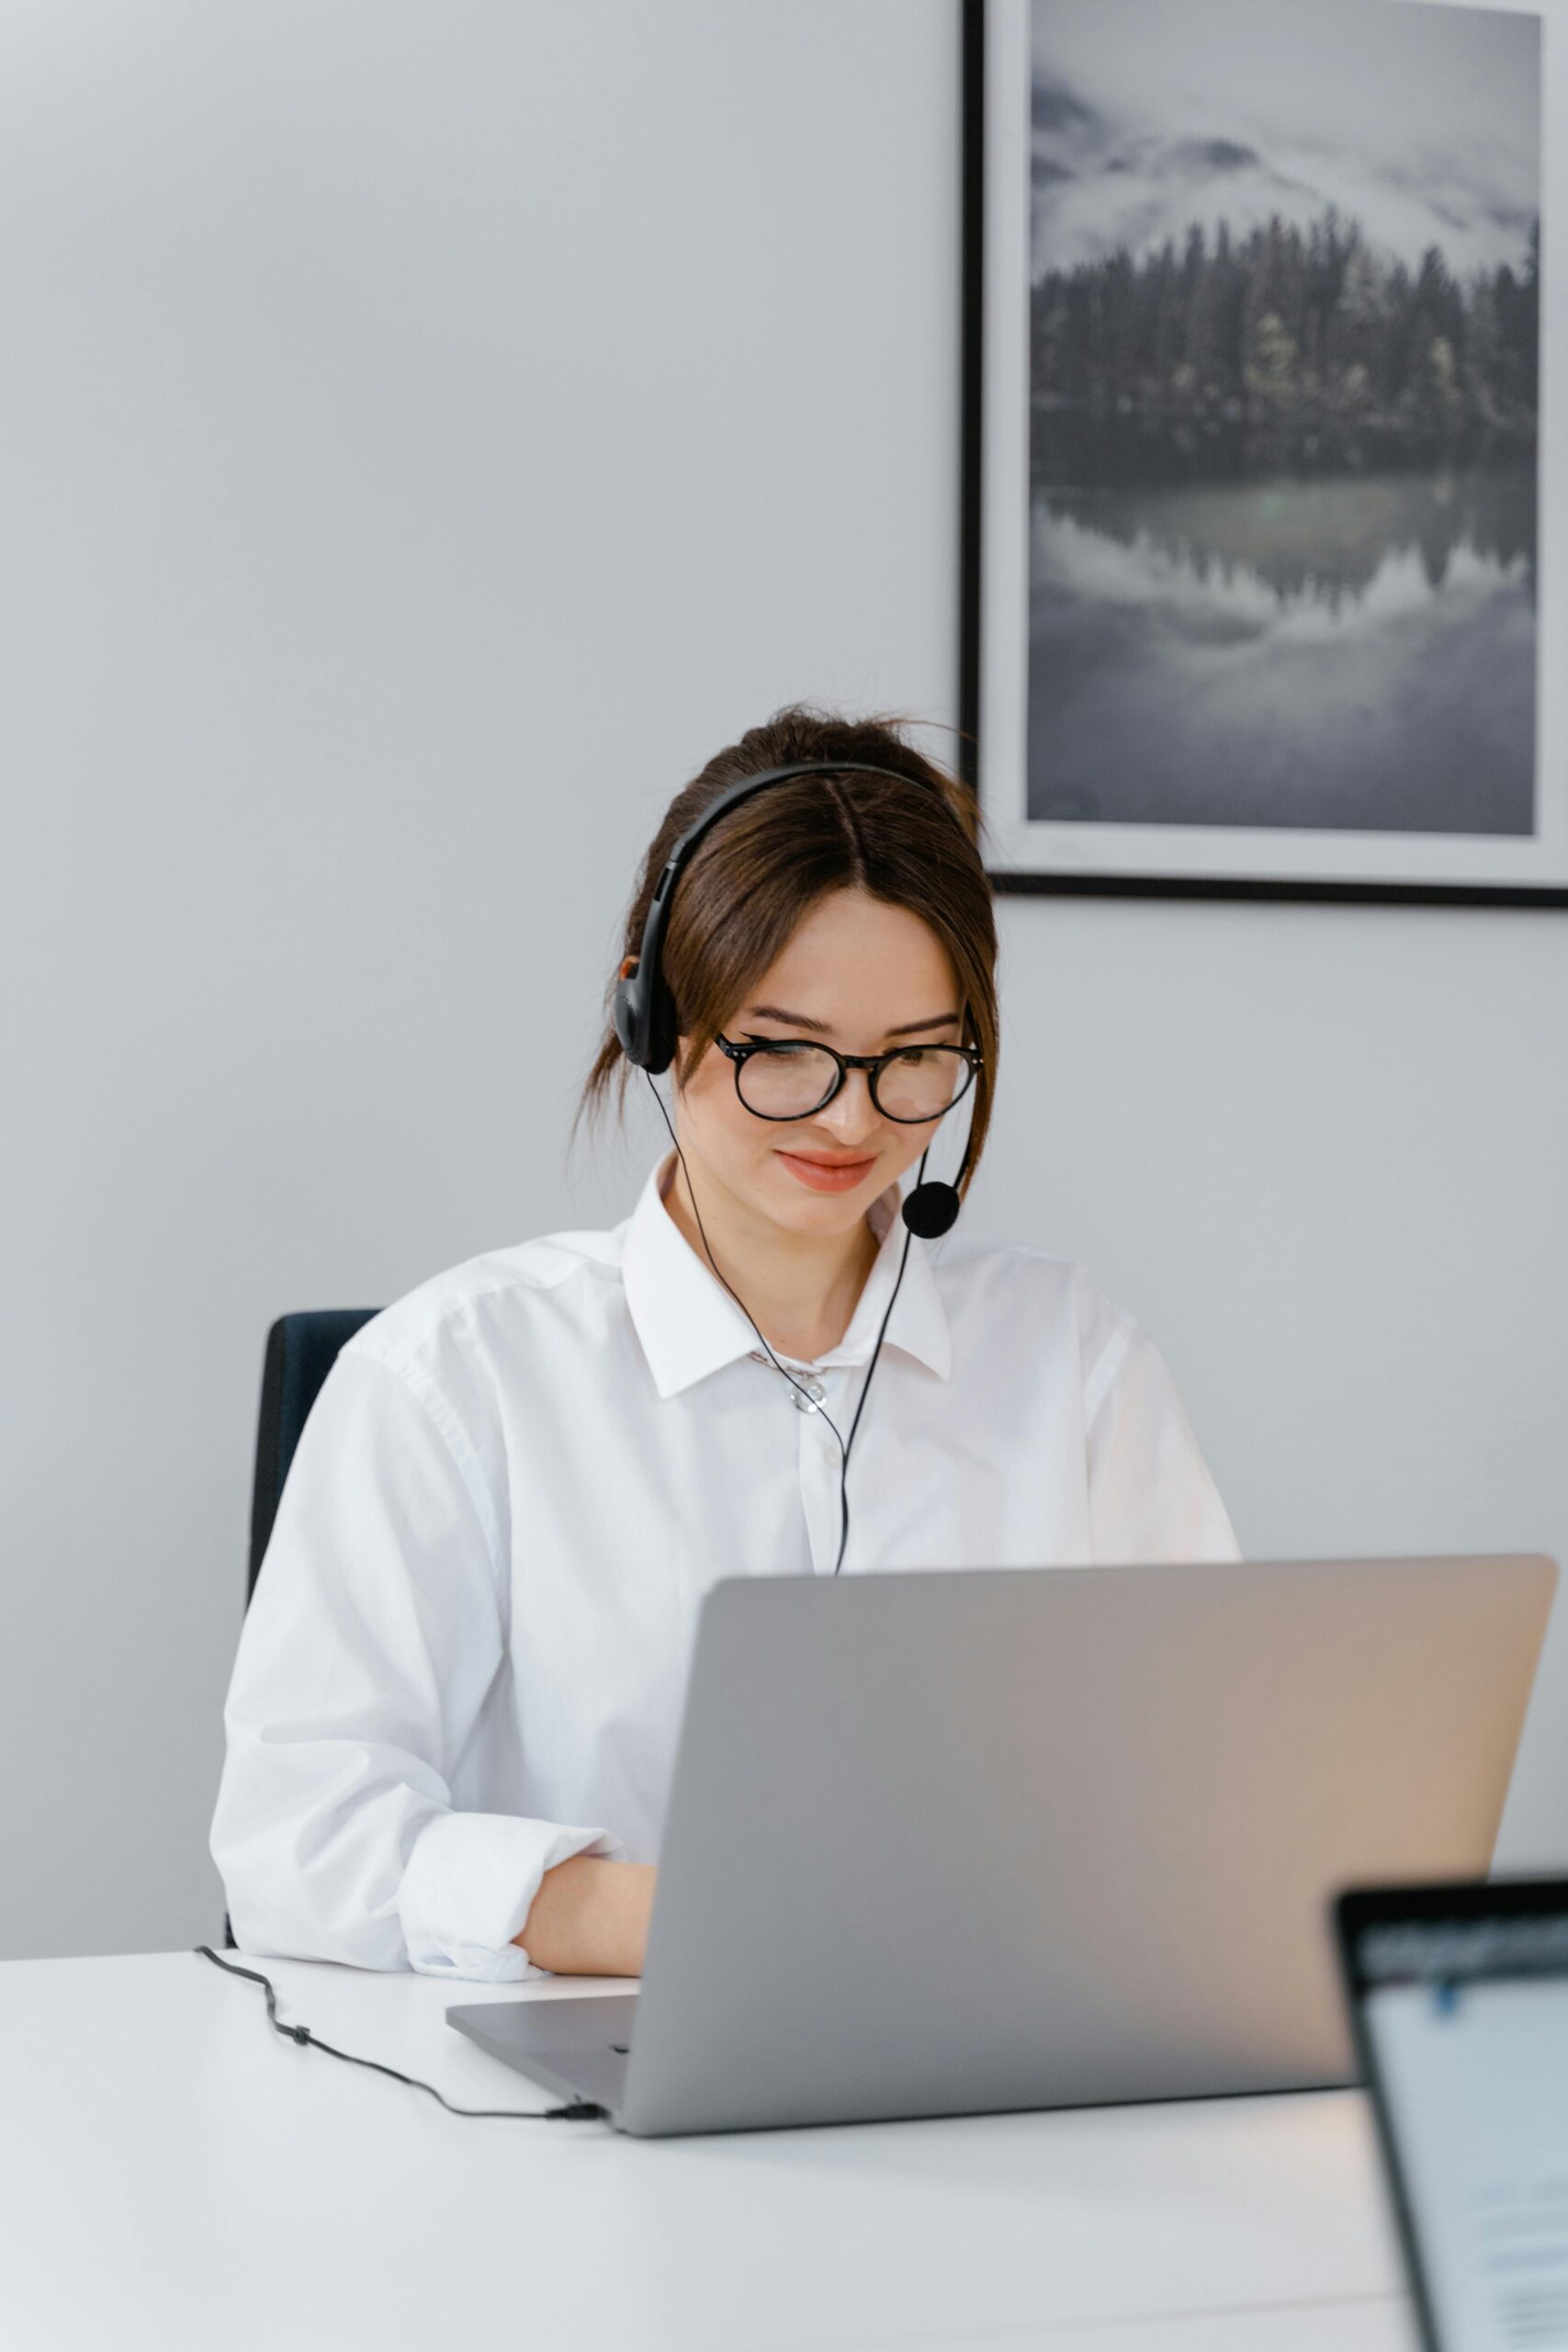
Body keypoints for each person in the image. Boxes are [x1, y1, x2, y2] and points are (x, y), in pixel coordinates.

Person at [209, 706, 1239, 1985]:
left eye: (914, 1059)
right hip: (577, 2110)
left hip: (992, 2064)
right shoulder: (454, 1380)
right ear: (660, 1022)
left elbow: (1213, 1782)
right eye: (786, 1052)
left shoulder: (1073, 1360)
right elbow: (296, 1839)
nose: (851, 1117)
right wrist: (680, 1922)